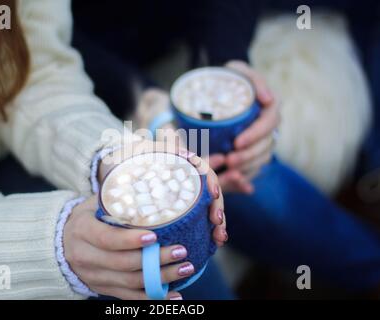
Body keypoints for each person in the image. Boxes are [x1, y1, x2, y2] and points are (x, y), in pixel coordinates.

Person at [0, 0, 230, 300]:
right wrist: (49, 247)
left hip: (1, 146)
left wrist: (109, 153)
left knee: (177, 258)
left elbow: (35, 74)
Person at [71, 0, 380, 291]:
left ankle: (369, 268)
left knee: (243, 171)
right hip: (92, 90)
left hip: (187, 38)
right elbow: (50, 52)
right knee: (210, 205)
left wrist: (227, 63)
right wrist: (141, 97)